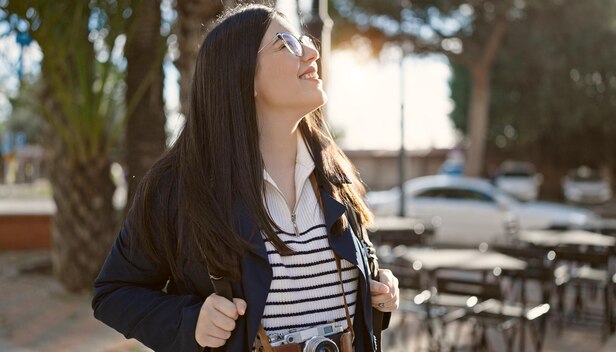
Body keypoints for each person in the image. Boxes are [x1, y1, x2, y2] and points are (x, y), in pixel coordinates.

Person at [92, 4, 399, 352]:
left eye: (303, 41)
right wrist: (190, 322)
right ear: (242, 75)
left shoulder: (335, 174)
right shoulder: (179, 186)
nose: (312, 51)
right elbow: (113, 293)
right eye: (287, 44)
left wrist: (379, 290)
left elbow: (360, 273)